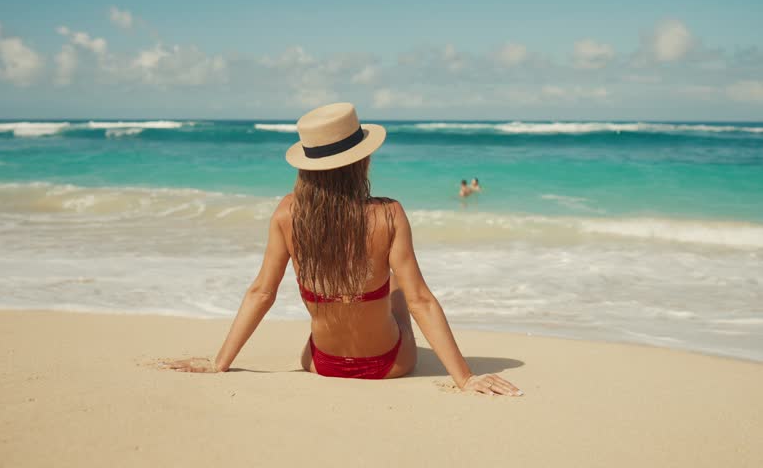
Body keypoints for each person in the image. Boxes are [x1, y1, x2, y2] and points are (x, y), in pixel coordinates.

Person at [165, 102, 521, 396]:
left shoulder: (287, 214)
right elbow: (421, 300)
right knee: (398, 288)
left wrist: (219, 362)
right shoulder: (388, 214)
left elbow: (261, 292)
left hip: (321, 364)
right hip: (389, 366)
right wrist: (465, 377)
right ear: (361, 161)